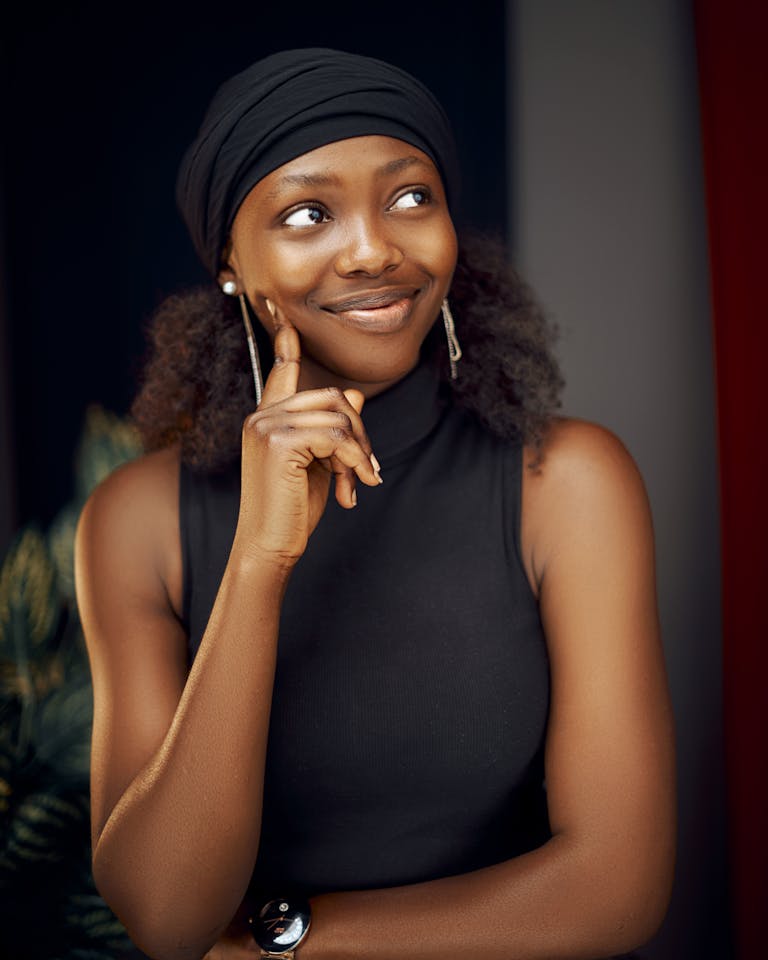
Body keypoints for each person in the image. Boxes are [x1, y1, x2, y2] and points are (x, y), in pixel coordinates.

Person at [74, 48, 676, 960]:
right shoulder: (138, 523)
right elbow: (164, 914)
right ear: (233, 266)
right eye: (309, 213)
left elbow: (616, 888)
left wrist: (286, 944)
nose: (374, 249)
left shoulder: (566, 484)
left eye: (409, 198)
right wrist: (260, 561)